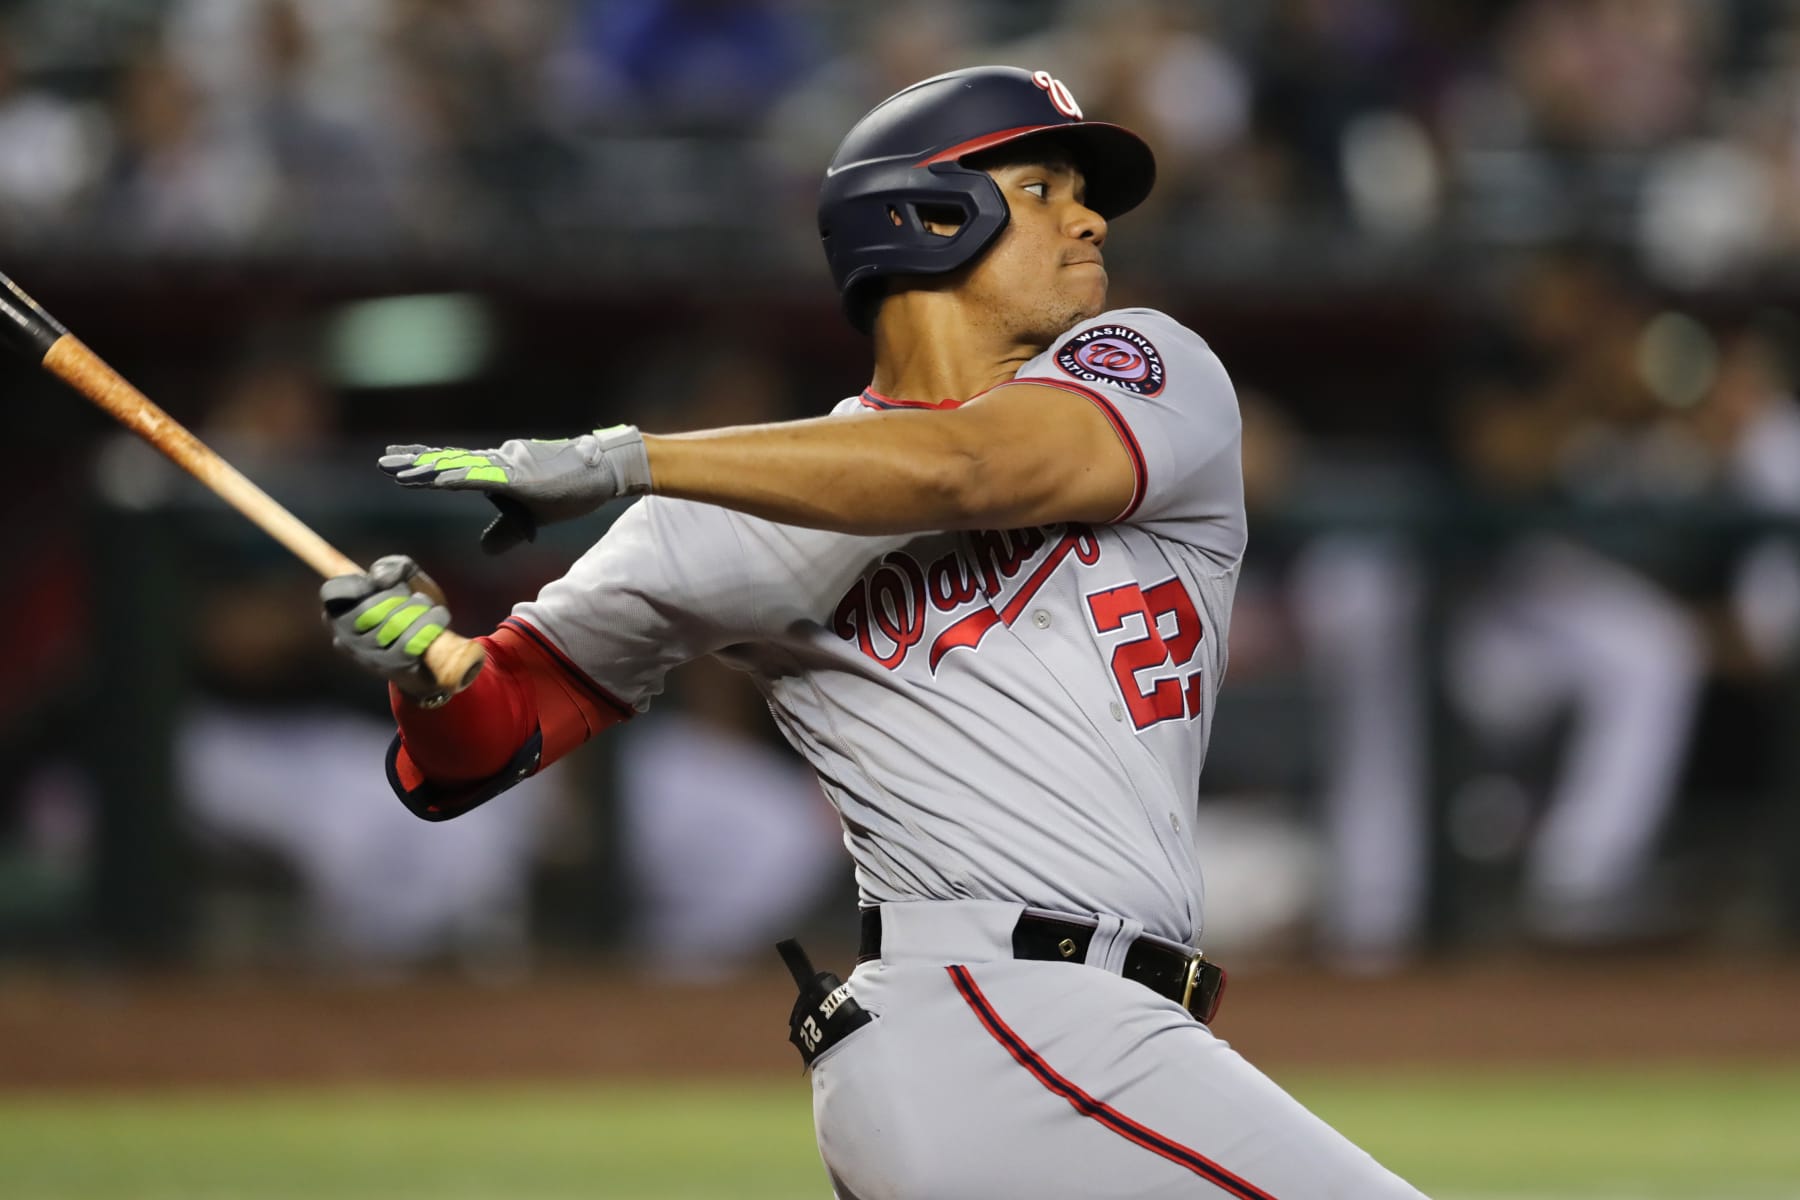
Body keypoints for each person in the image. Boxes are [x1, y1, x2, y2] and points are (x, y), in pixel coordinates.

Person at [320, 66, 1424, 1198]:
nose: (1090, 216)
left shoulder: (1151, 370)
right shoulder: (721, 513)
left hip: (1080, 1028)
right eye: (1042, 187)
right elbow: (479, 742)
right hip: (992, 1015)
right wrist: (432, 671)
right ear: (925, 217)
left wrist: (628, 457)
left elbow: (969, 465)